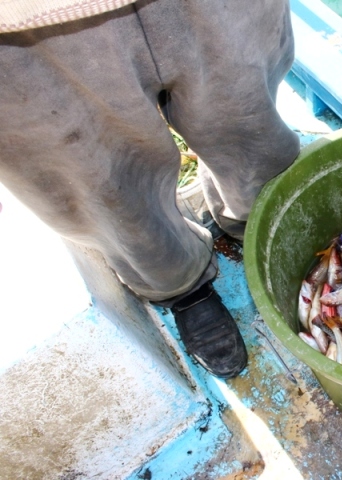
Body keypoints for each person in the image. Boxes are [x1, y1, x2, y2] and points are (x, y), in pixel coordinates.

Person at [0, 0, 301, 378]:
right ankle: (181, 285)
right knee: (100, 179)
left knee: (249, 118)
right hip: (20, 25)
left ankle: (254, 224)